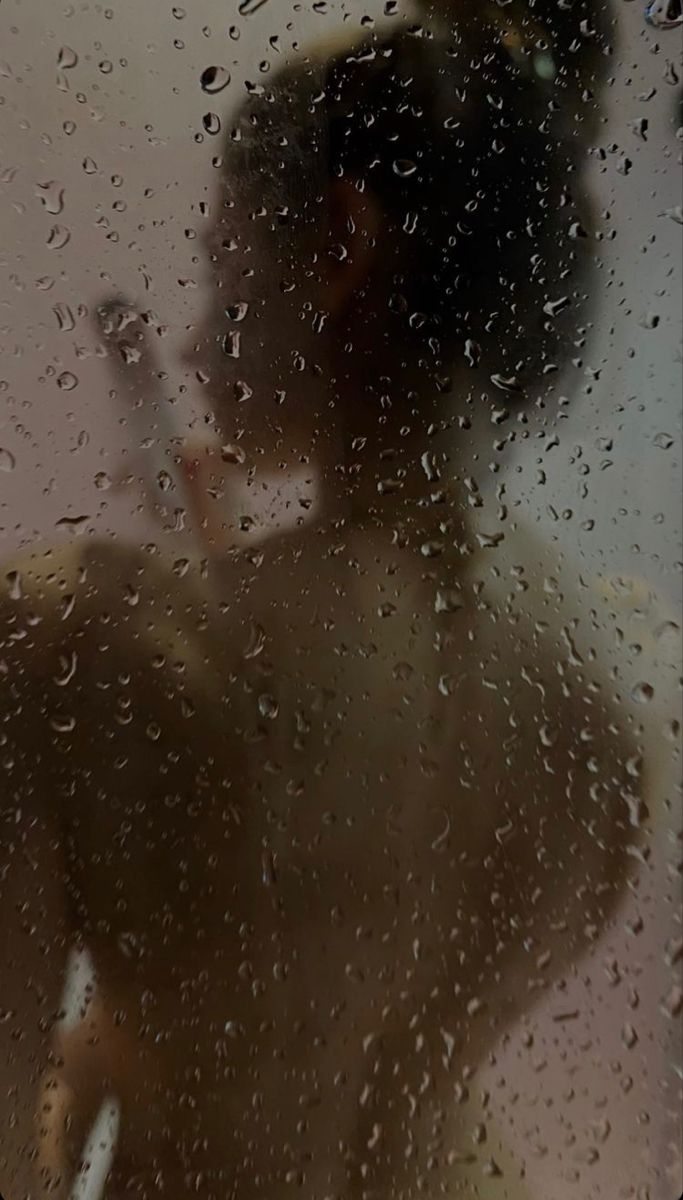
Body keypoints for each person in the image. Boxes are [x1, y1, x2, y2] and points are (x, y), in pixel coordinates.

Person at [1, 3, 669, 1197]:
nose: (200, 346)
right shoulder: (615, 685)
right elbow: (348, 953)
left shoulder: (70, 640)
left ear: (337, 242)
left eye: (220, 263)